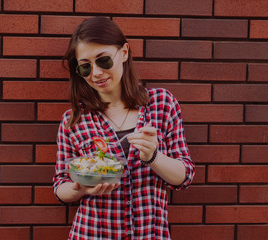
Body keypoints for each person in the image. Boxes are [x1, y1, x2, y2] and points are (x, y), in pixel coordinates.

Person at [53, 16, 195, 240]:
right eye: (85, 67)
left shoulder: (162, 104)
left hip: (150, 234)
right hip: (92, 233)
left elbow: (184, 176)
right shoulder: (74, 120)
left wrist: (153, 157)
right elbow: (61, 184)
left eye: (104, 61)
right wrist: (80, 188)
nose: (96, 73)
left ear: (125, 52)